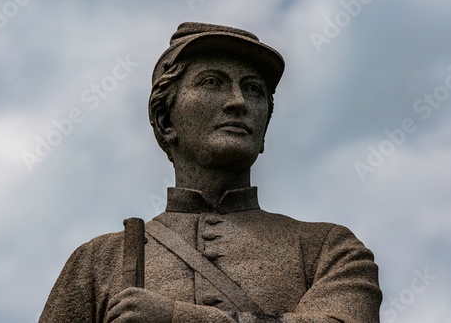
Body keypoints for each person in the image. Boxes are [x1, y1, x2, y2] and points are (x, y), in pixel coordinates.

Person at [39, 22, 382, 323]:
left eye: (253, 89)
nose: (238, 102)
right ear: (165, 120)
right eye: (212, 82)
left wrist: (177, 317)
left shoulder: (330, 249)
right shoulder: (97, 262)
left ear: (264, 130)